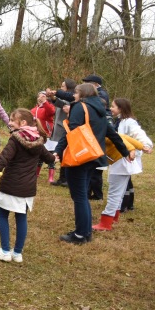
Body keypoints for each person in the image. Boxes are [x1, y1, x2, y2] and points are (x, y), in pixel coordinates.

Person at [53, 83, 131, 244]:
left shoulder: (80, 107)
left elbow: (71, 133)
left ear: (82, 94)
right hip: (93, 157)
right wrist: (124, 152)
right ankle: (85, 232)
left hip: (79, 156)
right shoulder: (101, 110)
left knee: (79, 196)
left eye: (75, 93)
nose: (73, 96)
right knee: (83, 196)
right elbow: (112, 133)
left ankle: (80, 235)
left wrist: (58, 151)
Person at [0, 109, 54, 263]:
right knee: (22, 218)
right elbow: (49, 158)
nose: (9, 123)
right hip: (28, 189)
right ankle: (17, 253)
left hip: (11, 186)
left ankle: (5, 251)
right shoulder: (38, 140)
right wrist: (57, 156)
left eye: (12, 120)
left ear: (23, 123)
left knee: (2, 215)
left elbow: (2, 160)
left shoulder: (15, 139)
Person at [92, 98, 152, 231]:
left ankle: (106, 222)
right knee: (118, 192)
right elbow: (123, 137)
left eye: (113, 106)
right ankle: (114, 217)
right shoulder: (113, 122)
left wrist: (139, 147)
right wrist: (141, 147)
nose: (111, 109)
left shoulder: (120, 123)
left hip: (122, 161)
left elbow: (125, 138)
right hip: (121, 160)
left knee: (114, 192)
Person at [46, 78, 77, 186]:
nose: (61, 88)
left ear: (68, 88)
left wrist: (53, 97)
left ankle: (66, 179)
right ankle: (62, 179)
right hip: (59, 127)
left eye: (63, 86)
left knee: (65, 154)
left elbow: (61, 103)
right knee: (62, 154)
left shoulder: (72, 98)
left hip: (65, 129)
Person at [31, 91, 56, 182]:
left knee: (50, 155)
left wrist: (45, 102)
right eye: (40, 96)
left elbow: (52, 111)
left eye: (44, 96)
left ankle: (51, 176)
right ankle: (36, 173)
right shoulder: (33, 110)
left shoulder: (49, 107)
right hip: (38, 136)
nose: (41, 97)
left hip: (48, 136)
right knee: (39, 155)